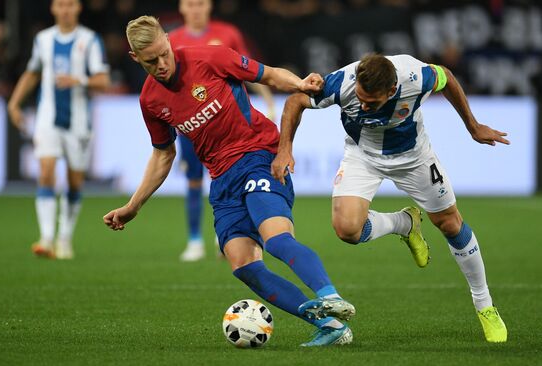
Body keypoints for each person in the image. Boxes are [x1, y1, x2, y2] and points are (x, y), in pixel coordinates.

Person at [104, 15, 354, 347]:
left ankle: (330, 295)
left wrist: (300, 84)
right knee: (243, 264)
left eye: (164, 53)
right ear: (136, 58)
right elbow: (163, 155)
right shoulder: (151, 101)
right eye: (151, 61)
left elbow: (268, 74)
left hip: (259, 156)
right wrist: (133, 205)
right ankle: (329, 324)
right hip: (222, 179)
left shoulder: (210, 57)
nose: (162, 64)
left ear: (167, 38)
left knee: (276, 240)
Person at [272, 53, 508, 343]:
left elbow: (446, 77)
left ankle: (484, 305)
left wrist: (473, 126)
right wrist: (285, 149)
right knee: (347, 229)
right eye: (360, 98)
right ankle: (403, 223)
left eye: (371, 102)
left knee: (449, 224)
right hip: (363, 155)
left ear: (392, 90)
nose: (363, 105)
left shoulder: (415, 76)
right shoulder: (343, 82)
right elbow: (296, 100)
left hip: (414, 157)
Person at [169, 0, 276, 262]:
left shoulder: (227, 34)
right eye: (191, 4)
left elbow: (247, 67)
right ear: (182, 8)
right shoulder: (171, 40)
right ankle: (194, 241)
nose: (196, 9)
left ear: (209, 7)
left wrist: (269, 101)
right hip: (194, 127)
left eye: (201, 4)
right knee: (194, 181)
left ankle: (226, 236)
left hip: (229, 125)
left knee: (231, 179)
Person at [8, 0, 110, 259]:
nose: (65, 9)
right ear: (53, 8)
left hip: (78, 123)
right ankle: (46, 238)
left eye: (70, 4)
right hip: (47, 119)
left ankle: (65, 237)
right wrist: (14, 103)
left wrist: (80, 80)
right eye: (60, 5)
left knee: (75, 182)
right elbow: (32, 73)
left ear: (78, 8)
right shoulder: (42, 39)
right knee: (46, 173)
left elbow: (103, 80)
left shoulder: (89, 40)